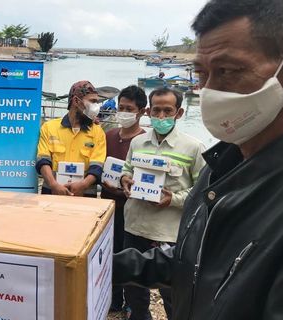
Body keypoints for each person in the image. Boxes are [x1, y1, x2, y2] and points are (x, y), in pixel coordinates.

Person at [114, 0, 283, 319]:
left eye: (227, 71)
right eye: (202, 74)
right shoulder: (221, 164)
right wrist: (105, 265)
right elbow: (197, 260)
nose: (208, 92)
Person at [119, 87, 205, 320]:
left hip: (170, 233)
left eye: (168, 111)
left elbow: (202, 193)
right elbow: (127, 170)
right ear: (148, 111)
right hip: (135, 226)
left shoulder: (194, 148)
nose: (161, 116)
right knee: (134, 288)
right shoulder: (137, 142)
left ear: (179, 113)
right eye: (156, 110)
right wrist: (125, 180)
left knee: (172, 292)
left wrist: (172, 200)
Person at [100, 85, 147, 315]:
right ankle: (112, 299)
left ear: (140, 111)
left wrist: (121, 190)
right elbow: (98, 166)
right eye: (121, 108)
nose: (124, 112)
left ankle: (132, 303)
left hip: (131, 210)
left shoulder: (144, 142)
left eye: (129, 109)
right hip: (106, 207)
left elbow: (147, 181)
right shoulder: (108, 136)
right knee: (107, 252)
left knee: (128, 255)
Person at [35, 80, 106, 197]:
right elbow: (43, 161)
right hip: (52, 193)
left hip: (85, 195)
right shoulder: (49, 127)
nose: (96, 107)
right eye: (92, 101)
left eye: (96, 102)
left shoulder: (98, 132)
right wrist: (53, 185)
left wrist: (83, 185)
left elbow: (97, 166)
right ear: (76, 101)